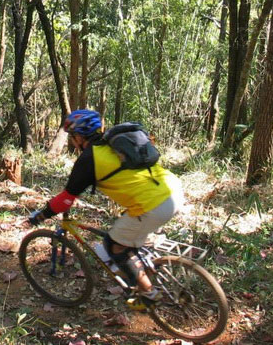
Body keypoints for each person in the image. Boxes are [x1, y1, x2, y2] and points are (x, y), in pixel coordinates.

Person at [28, 109, 184, 305]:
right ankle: (144, 265)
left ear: (79, 136)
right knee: (129, 228)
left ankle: (148, 294)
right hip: (173, 190)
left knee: (113, 246)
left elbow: (66, 198)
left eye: (73, 136)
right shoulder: (115, 145)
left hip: (154, 205)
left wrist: (41, 216)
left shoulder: (89, 159)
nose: (72, 141)